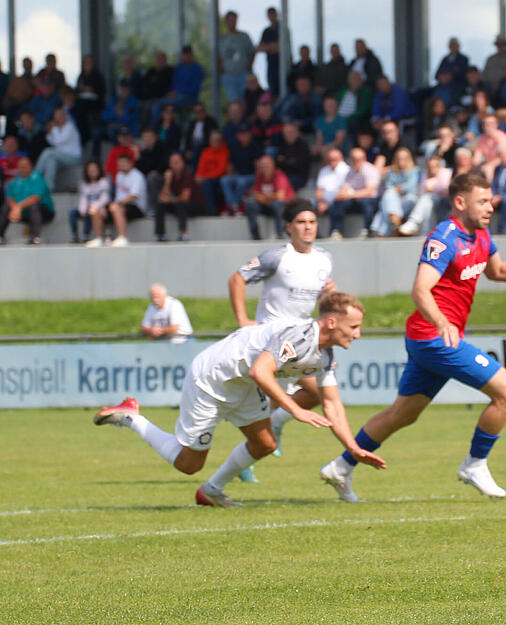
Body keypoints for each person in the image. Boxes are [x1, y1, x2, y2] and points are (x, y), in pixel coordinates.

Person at [318, 173, 506, 502]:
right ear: (460, 202)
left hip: (433, 338)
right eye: (482, 201)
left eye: (490, 199)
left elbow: (497, 271)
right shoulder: (444, 237)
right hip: (433, 337)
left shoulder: (481, 235)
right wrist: (441, 322)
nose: (490, 206)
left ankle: (340, 466)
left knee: (402, 414)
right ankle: (474, 464)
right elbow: (420, 290)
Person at [93, 291, 386, 508]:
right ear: (332, 322)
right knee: (188, 464)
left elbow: (332, 403)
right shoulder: (299, 336)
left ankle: (210, 491)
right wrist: (295, 409)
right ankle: (132, 417)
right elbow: (262, 371)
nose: (358, 334)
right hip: (211, 379)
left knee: (266, 443)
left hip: (243, 384)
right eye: (354, 327)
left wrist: (352, 448)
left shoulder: (324, 354)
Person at [228, 199, 335, 473]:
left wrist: (328, 296)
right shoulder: (276, 257)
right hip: (270, 338)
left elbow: (321, 296)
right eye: (301, 222)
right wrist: (242, 319)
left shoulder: (324, 258)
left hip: (302, 339)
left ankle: (266, 437)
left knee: (314, 394)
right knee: (298, 396)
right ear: (289, 227)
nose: (307, 227)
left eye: (312, 222)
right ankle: (246, 459)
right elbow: (237, 279)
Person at [86, 152, 146, 247]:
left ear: (130, 163)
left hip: (136, 207)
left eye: (123, 162)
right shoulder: (119, 175)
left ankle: (122, 237)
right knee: (96, 209)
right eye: (119, 163)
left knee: (114, 207)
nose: (121, 165)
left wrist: (117, 205)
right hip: (120, 205)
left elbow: (134, 196)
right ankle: (99, 238)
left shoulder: (137, 176)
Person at [328, 147, 380, 240]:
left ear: (364, 159)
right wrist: (340, 195)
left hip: (372, 200)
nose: (356, 162)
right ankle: (336, 231)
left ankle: (367, 230)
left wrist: (351, 194)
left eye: (359, 159)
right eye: (354, 159)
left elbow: (369, 191)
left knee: (366, 202)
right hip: (356, 200)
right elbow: (345, 188)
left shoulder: (371, 170)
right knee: (337, 203)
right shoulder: (350, 171)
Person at [0, 156, 54, 245]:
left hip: (43, 212)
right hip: (22, 212)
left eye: (25, 166)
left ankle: (34, 237)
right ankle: (0, 236)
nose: (23, 168)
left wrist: (18, 207)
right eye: (21, 166)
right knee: (6, 206)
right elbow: (10, 198)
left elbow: (36, 197)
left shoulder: (37, 177)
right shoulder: (15, 180)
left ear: (31, 166)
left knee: (33, 206)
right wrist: (15, 208)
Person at [398, 154, 453, 237]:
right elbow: (421, 193)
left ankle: (413, 221)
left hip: (442, 200)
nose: (433, 168)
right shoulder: (425, 175)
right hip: (428, 201)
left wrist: (433, 189)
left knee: (427, 198)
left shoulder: (446, 172)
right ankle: (426, 232)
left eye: (435, 166)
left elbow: (445, 189)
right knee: (427, 204)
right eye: (431, 166)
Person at [370, 147, 420, 237]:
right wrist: (396, 190)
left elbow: (410, 186)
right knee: (389, 195)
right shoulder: (392, 172)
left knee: (386, 203)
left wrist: (399, 188)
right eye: (399, 158)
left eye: (404, 158)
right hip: (395, 199)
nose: (402, 161)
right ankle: (395, 220)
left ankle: (380, 230)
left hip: (409, 199)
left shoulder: (415, 170)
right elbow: (388, 186)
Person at [150, 45, 205, 124]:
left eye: (187, 55)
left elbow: (195, 89)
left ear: (191, 55)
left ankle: (154, 128)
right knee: (158, 104)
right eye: (184, 55)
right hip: (176, 97)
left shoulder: (197, 69)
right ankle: (160, 127)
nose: (185, 57)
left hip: (190, 98)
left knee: (161, 104)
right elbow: (173, 83)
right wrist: (171, 92)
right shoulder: (179, 68)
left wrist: (178, 92)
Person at [244, 154, 294, 240]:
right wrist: (269, 198)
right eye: (263, 165)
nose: (265, 167)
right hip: (267, 205)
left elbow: (280, 196)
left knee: (277, 204)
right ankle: (255, 236)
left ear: (273, 165)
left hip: (284, 207)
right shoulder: (259, 176)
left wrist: (265, 197)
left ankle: (280, 234)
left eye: (267, 165)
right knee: (250, 204)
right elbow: (255, 195)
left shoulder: (279, 175)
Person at [156, 152, 202, 242]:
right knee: (160, 205)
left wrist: (169, 200)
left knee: (181, 204)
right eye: (173, 162)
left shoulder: (187, 176)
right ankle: (161, 235)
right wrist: (167, 181)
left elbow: (185, 198)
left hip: (195, 205)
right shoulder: (171, 176)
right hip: (178, 205)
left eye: (177, 162)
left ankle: (183, 234)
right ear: (169, 165)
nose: (175, 165)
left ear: (183, 163)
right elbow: (162, 198)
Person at [35, 107, 82, 191]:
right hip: (62, 158)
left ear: (65, 116)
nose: (58, 117)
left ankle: (35, 176)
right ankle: (49, 188)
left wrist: (54, 128)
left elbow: (58, 141)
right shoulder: (59, 128)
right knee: (51, 160)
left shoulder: (69, 127)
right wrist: (50, 133)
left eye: (60, 115)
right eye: (56, 116)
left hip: (74, 158)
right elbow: (52, 143)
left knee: (48, 151)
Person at [220, 123, 262, 215]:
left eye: (246, 133)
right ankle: (233, 206)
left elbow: (258, 167)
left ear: (250, 134)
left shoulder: (255, 146)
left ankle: (232, 207)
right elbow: (230, 164)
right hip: (239, 175)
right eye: (241, 133)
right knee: (224, 180)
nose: (244, 136)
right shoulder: (235, 146)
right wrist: (229, 175)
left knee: (241, 181)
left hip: (252, 176)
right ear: (238, 135)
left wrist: (257, 183)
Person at [219, 11, 255, 103]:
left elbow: (252, 52)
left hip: (243, 74)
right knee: (233, 102)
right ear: (226, 22)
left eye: (233, 20)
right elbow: (219, 56)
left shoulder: (244, 36)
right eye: (229, 20)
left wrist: (249, 67)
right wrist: (222, 71)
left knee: (246, 100)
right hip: (229, 75)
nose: (231, 22)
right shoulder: (222, 39)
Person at [70, 159, 110, 244]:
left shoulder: (103, 182)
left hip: (98, 207)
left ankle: (85, 236)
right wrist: (82, 209)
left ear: (99, 170)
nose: (92, 172)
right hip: (87, 207)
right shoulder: (84, 184)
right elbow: (83, 198)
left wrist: (95, 205)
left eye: (94, 170)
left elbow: (105, 197)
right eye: (90, 170)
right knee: (72, 213)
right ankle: (74, 236)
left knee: (90, 211)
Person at [96, 78, 139, 155]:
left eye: (125, 88)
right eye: (122, 88)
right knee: (97, 134)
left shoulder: (133, 101)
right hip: (111, 126)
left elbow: (128, 118)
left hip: (126, 127)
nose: (123, 90)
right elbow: (104, 116)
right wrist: (116, 114)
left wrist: (115, 116)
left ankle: (118, 155)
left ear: (129, 89)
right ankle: (95, 158)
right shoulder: (114, 100)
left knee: (114, 133)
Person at [195, 130, 229, 216]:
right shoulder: (205, 151)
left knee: (206, 183)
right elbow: (201, 167)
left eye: (218, 140)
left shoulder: (224, 151)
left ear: (221, 141)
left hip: (219, 179)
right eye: (214, 140)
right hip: (206, 178)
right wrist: (199, 176)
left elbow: (221, 170)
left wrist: (204, 177)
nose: (216, 142)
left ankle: (209, 211)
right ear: (210, 141)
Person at [136, 127, 168, 218]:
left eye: (150, 137)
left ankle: (155, 208)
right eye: (145, 137)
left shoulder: (162, 147)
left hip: (163, 177)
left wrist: (157, 171)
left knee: (151, 178)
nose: (148, 139)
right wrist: (138, 158)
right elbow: (141, 170)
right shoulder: (144, 152)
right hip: (149, 178)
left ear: (155, 138)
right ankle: (140, 208)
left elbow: (165, 163)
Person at [314, 148, 350, 229]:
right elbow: (319, 190)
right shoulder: (324, 170)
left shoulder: (346, 170)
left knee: (337, 205)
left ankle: (336, 231)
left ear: (341, 158)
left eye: (335, 159)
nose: (332, 161)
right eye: (330, 159)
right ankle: (316, 233)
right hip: (324, 201)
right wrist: (321, 202)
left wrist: (328, 203)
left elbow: (343, 191)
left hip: (339, 200)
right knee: (309, 205)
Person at [256, 7, 287, 97]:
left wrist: (268, 47)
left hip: (283, 65)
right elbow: (259, 48)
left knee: (283, 90)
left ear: (277, 15)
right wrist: (272, 46)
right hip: (271, 66)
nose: (271, 16)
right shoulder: (266, 31)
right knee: (273, 92)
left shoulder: (282, 29)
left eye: (273, 14)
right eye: (269, 14)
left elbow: (281, 47)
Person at [473, 114, 506, 181]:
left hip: (502, 164)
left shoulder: (501, 137)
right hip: (488, 164)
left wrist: (490, 165)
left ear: (496, 124)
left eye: (491, 123)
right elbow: (477, 157)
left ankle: (490, 190)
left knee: (488, 169)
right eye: (485, 123)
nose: (488, 125)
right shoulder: (482, 139)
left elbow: (503, 157)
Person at [275, 122, 310, 191]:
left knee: (285, 183)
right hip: (284, 176)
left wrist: (284, 160)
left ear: (296, 133)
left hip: (298, 177)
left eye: (290, 132)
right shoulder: (282, 145)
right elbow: (277, 162)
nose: (287, 135)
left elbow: (299, 164)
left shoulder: (303, 145)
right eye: (285, 133)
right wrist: (289, 161)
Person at [336, 70, 373, 135]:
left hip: (353, 119)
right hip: (338, 117)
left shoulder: (365, 92)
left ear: (362, 81)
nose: (356, 81)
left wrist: (347, 118)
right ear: (348, 80)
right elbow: (335, 103)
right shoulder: (342, 91)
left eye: (358, 79)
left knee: (352, 123)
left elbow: (362, 110)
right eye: (353, 79)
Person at [182, 102, 218, 166]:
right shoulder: (192, 123)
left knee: (197, 152)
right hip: (193, 148)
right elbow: (187, 139)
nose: (199, 113)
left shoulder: (211, 122)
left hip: (206, 148)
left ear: (205, 111)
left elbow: (213, 138)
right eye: (196, 111)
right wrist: (187, 150)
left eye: (201, 111)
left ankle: (197, 173)